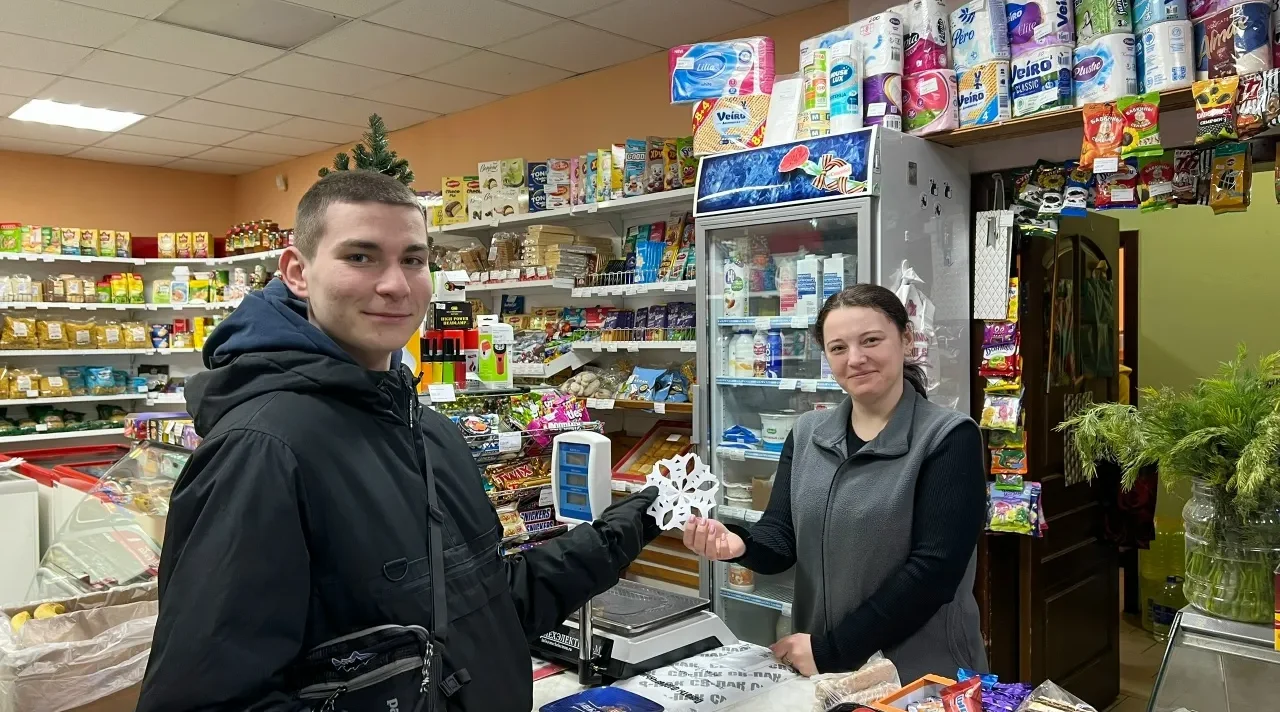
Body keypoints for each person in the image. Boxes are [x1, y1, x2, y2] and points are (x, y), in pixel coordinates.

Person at [137, 170, 661, 712]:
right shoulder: (261, 450)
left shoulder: (429, 431)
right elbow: (207, 700)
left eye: (413, 259)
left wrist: (641, 518)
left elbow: (490, 605)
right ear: (297, 272)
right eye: (360, 257)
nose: (395, 285)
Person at [684, 284, 987, 682]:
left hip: (918, 676)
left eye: (871, 341)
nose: (855, 359)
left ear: (906, 339)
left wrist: (833, 651)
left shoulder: (948, 437)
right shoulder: (807, 433)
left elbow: (934, 572)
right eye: (838, 348)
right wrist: (740, 544)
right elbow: (782, 537)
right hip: (826, 673)